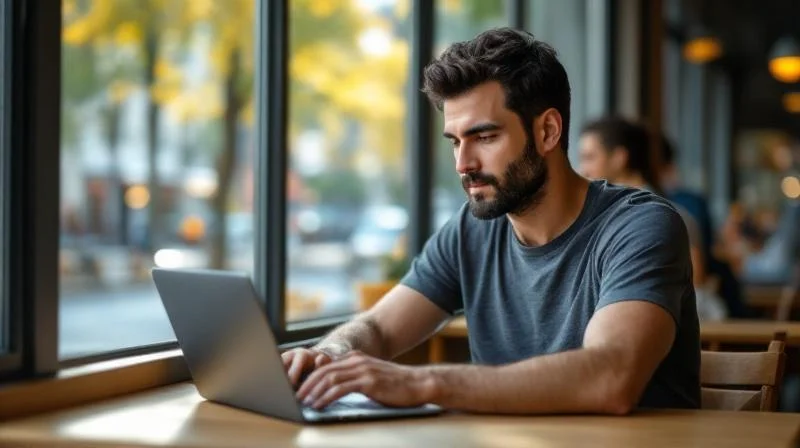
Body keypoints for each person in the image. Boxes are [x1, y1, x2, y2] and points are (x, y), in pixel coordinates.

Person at [282, 28, 700, 414]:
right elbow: (379, 328)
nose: (464, 164)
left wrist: (425, 382)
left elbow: (612, 377)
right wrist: (330, 354)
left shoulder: (640, 226)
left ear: (548, 131)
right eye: (455, 141)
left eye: (484, 137)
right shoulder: (473, 228)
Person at [578, 117, 727, 321]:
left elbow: (695, 285)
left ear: (619, 158)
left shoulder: (664, 216)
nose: (582, 169)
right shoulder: (609, 212)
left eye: (589, 157)